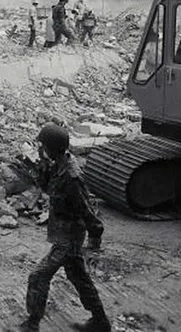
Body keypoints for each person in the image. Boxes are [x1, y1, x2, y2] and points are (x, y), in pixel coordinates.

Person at [16, 123, 110, 332]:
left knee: (38, 276)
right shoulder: (57, 165)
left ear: (51, 147)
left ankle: (32, 324)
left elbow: (87, 210)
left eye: (42, 145)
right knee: (78, 276)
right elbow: (46, 186)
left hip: (69, 237)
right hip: (62, 233)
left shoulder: (71, 177)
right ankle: (100, 321)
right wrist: (36, 165)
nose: (40, 148)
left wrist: (95, 238)